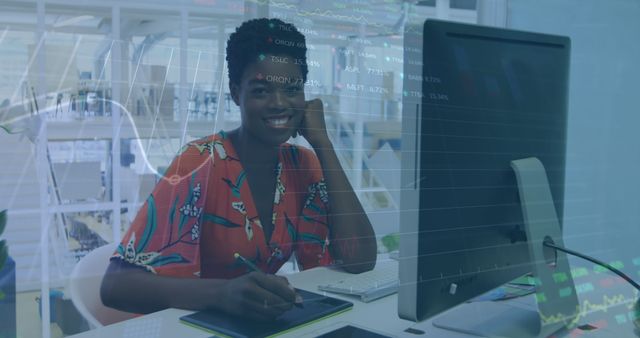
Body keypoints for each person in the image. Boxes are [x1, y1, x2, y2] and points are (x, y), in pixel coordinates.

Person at [100, 18, 377, 321]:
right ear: (235, 93)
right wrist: (223, 294)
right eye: (261, 91)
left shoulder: (302, 165)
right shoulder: (199, 162)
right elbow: (115, 285)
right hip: (191, 326)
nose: (280, 103)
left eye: (293, 89)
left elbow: (359, 259)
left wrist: (323, 143)